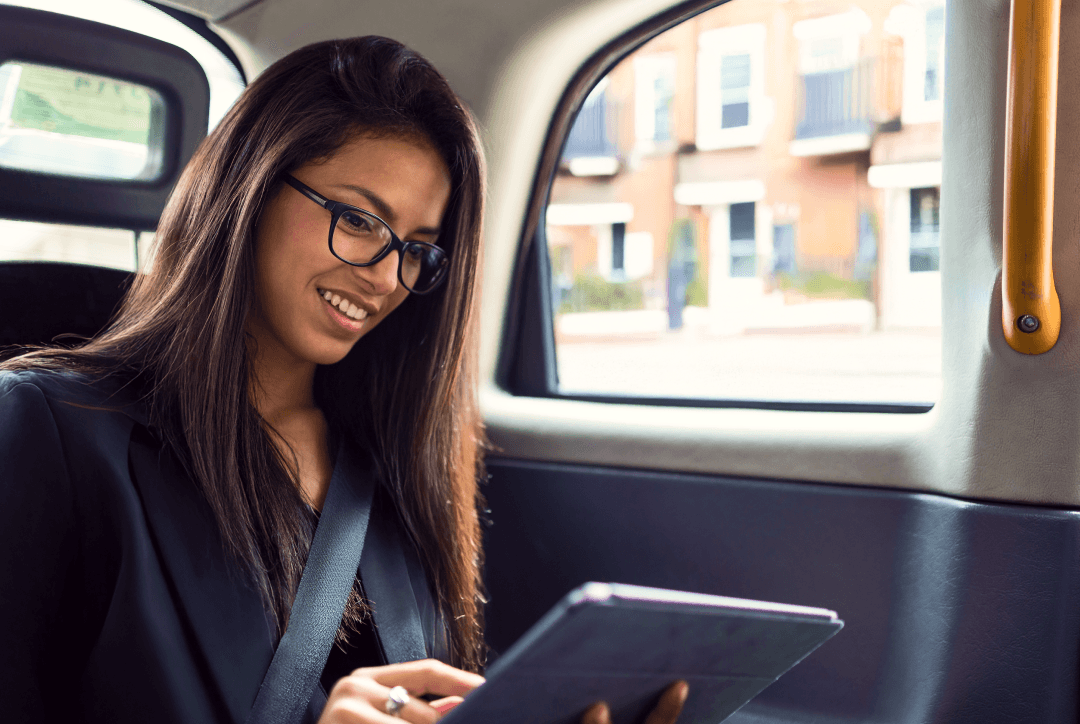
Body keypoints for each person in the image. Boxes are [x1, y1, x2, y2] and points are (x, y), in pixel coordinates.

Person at [0, 36, 688, 724]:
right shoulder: (48, 427)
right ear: (251, 189)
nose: (388, 277)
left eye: (417, 250)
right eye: (359, 220)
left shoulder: (391, 462)